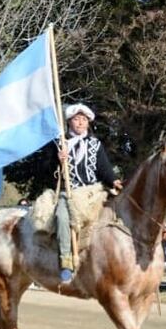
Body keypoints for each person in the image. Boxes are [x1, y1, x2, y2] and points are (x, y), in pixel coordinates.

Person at [49, 103, 123, 283]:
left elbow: (104, 168)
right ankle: (66, 262)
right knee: (62, 217)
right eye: (76, 119)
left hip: (92, 192)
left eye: (84, 119)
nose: (80, 123)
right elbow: (45, 169)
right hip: (69, 193)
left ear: (88, 123)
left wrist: (113, 180)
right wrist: (57, 160)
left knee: (114, 216)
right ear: (69, 122)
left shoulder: (95, 144)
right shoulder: (59, 144)